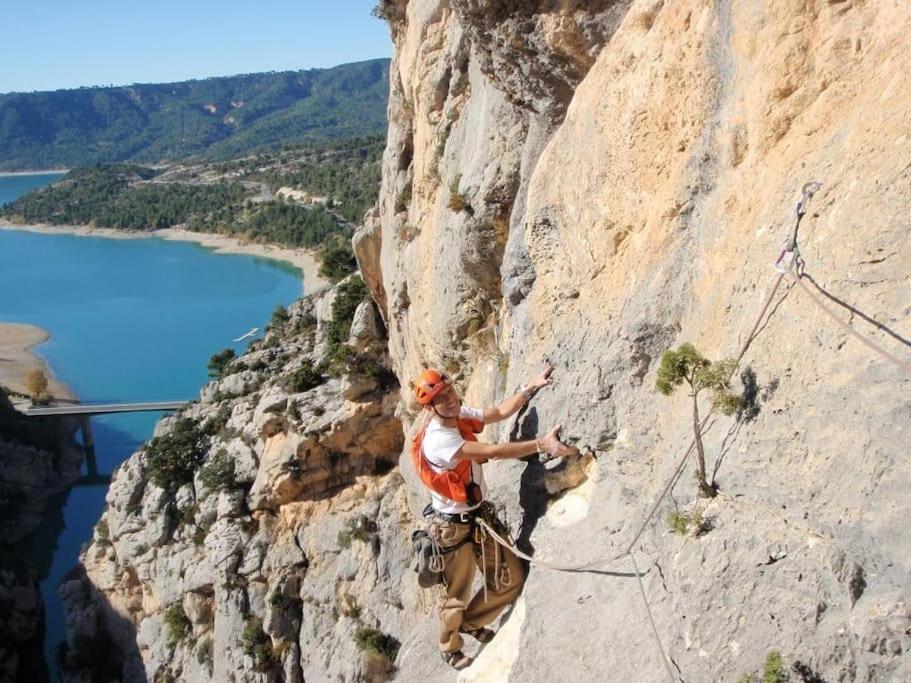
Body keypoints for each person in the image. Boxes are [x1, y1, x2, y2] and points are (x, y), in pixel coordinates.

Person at [410, 364, 579, 670]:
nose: (450, 399)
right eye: (441, 398)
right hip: (451, 528)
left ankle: (472, 623)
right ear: (430, 409)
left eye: (450, 391)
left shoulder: (457, 413)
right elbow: (494, 450)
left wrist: (531, 387)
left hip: (477, 517)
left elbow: (497, 412)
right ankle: (449, 646)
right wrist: (543, 445)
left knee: (510, 579)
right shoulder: (438, 439)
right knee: (456, 593)